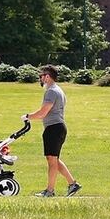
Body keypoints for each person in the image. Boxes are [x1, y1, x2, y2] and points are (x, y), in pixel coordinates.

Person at [23, 65, 82, 197]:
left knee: (51, 161)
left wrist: (27, 116)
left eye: (41, 76)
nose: (41, 79)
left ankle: (50, 191)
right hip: (58, 128)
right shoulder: (58, 90)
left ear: (47, 77)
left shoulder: (51, 92)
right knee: (54, 160)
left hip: (53, 129)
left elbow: (42, 113)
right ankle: (73, 184)